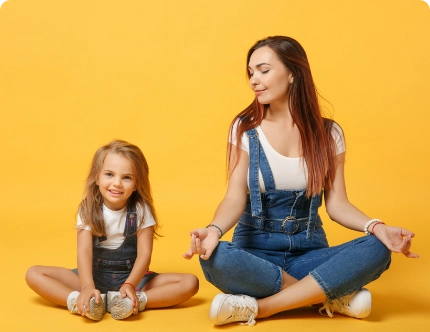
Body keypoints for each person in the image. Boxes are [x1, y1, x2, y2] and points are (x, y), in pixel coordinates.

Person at [183, 36, 418, 326]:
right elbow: (234, 197)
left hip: (309, 254)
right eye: (251, 73)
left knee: (378, 248)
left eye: (263, 70)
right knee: (216, 257)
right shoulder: (244, 128)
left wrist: (378, 227)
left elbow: (338, 204)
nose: (254, 80)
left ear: (293, 73)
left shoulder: (329, 134)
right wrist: (214, 230)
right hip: (254, 255)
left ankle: (262, 307)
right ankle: (328, 296)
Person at [26, 140, 198, 321]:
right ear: (97, 177)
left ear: (137, 183)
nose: (117, 183)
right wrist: (86, 286)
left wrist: (131, 284)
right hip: (94, 277)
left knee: (190, 283)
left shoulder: (141, 210)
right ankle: (81, 303)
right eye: (109, 174)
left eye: (127, 177)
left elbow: (144, 254)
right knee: (34, 274)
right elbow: (84, 251)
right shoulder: (88, 208)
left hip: (134, 279)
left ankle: (133, 301)